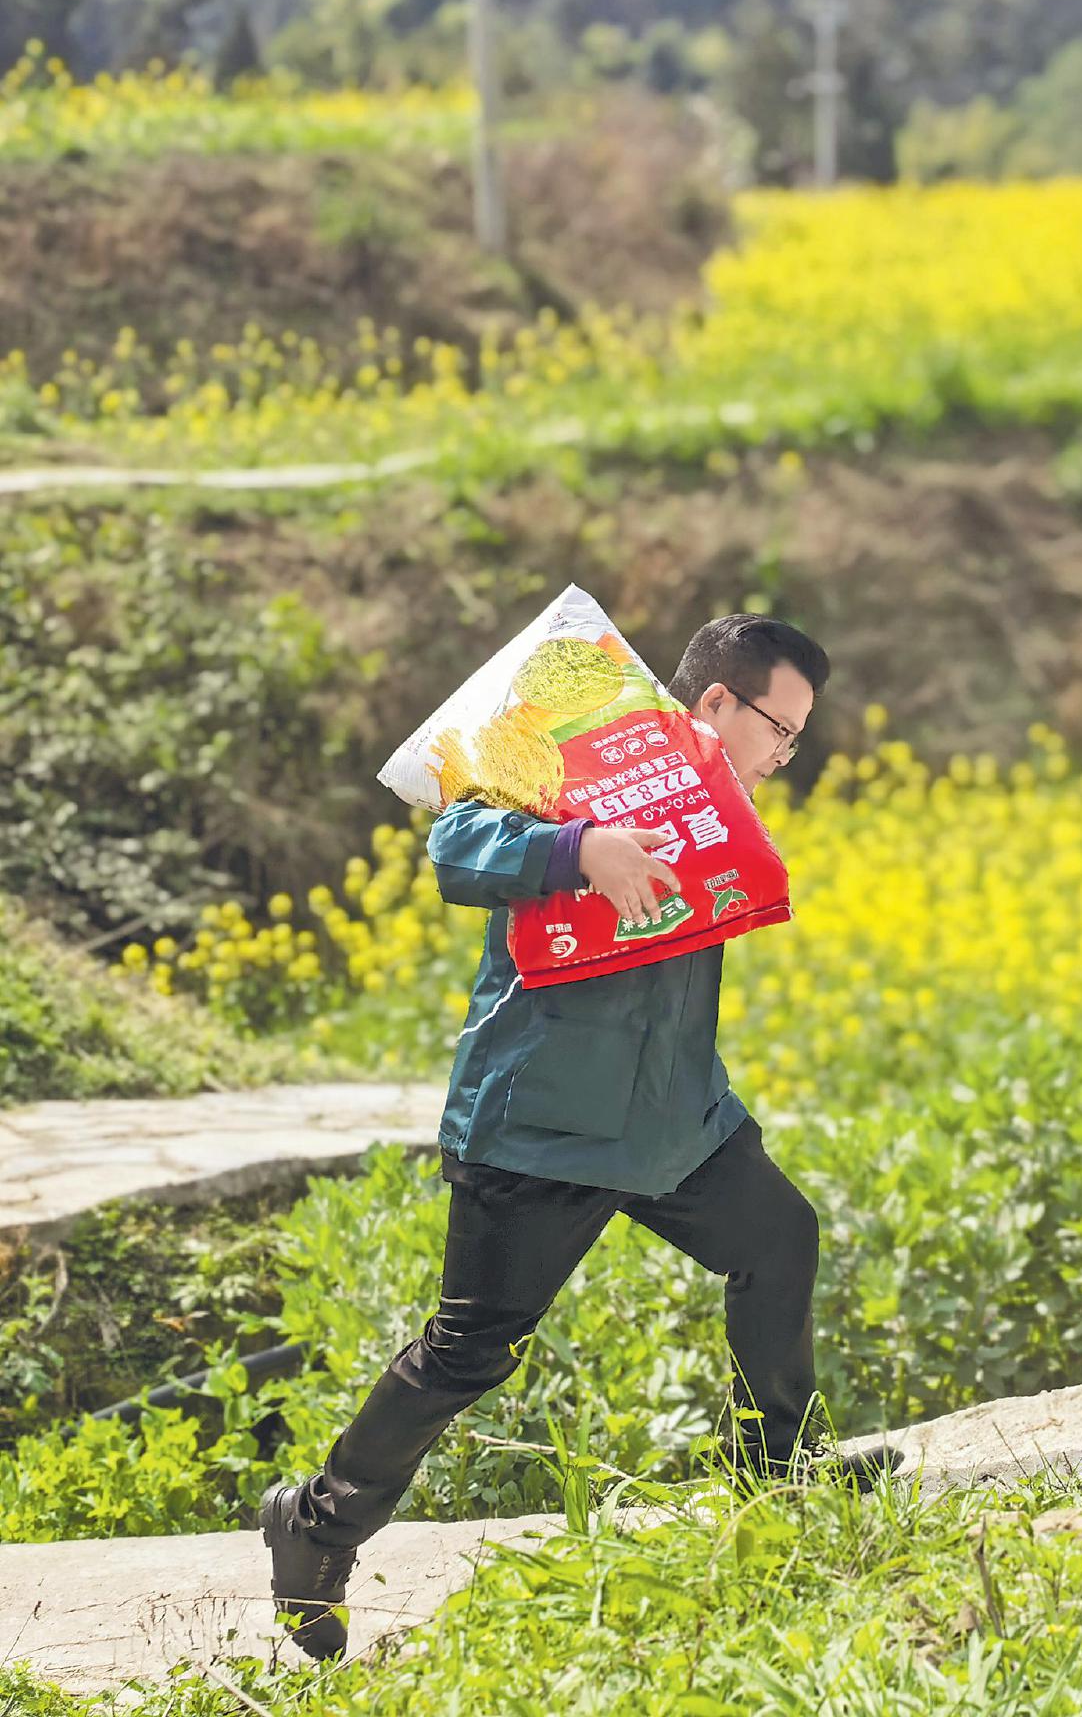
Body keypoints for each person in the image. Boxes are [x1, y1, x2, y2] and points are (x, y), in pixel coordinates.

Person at [260, 612, 902, 1660]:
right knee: (468, 1351)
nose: (787, 754)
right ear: (716, 701)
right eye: (780, 728)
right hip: (542, 1126)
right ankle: (317, 1525)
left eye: (798, 737)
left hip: (675, 1119)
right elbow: (456, 843)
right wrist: (579, 847)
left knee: (780, 1238)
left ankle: (776, 1472)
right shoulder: (573, 762)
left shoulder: (706, 798)